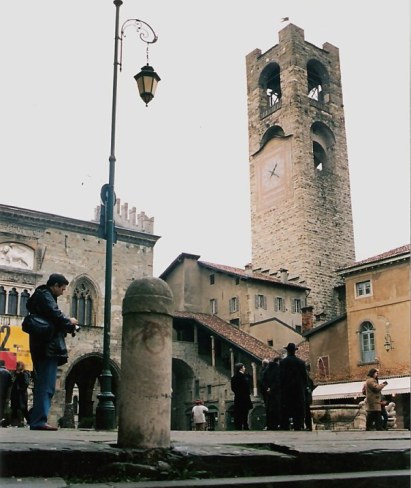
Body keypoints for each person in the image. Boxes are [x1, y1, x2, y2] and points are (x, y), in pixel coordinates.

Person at [26, 273, 79, 431]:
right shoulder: (45, 296)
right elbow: (56, 315)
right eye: (62, 288)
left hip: (42, 346)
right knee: (46, 384)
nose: (63, 292)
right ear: (55, 285)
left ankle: (37, 419)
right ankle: (39, 421)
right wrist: (70, 322)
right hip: (47, 348)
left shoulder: (42, 296)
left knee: (44, 383)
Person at [279, 343, 307, 431]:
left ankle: (285, 427)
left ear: (287, 351)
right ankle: (297, 426)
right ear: (295, 351)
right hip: (298, 391)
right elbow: (304, 378)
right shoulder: (301, 363)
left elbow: (280, 377)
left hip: (286, 391)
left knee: (285, 410)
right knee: (298, 411)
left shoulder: (283, 363)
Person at [231, 362, 253, 430]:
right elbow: (247, 386)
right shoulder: (244, 377)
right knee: (245, 413)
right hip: (244, 397)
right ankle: (245, 426)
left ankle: (238, 426)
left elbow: (233, 388)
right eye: (244, 367)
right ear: (241, 368)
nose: (245, 368)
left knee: (238, 413)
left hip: (238, 397)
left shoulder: (234, 377)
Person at [10, 361, 31, 427]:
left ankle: (29, 421)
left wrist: (21, 389)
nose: (16, 367)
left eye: (18, 365)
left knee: (23, 408)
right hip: (15, 394)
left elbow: (26, 383)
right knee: (14, 408)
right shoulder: (15, 373)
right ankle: (15, 422)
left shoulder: (24, 373)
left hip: (21, 394)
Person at [263, 357, 282, 430]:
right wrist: (272, 388)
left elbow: (263, 380)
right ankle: (277, 424)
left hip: (268, 393)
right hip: (276, 393)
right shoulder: (277, 369)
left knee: (269, 409)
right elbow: (277, 381)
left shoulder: (267, 369)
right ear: (278, 362)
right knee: (277, 409)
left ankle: (270, 425)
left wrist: (267, 388)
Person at [0, 359, 12, 427]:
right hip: (4, 393)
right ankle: (2, 420)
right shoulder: (8, 373)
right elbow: (10, 385)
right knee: (3, 407)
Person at [304, 363, 316, 431]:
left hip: (305, 398)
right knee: (307, 412)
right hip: (308, 398)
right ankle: (308, 426)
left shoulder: (307, 379)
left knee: (306, 413)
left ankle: (308, 426)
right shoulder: (309, 379)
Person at [259, 358, 270, 429]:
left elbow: (261, 382)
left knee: (267, 408)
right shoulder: (268, 371)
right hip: (269, 391)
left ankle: (268, 424)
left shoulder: (262, 371)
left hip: (265, 391)